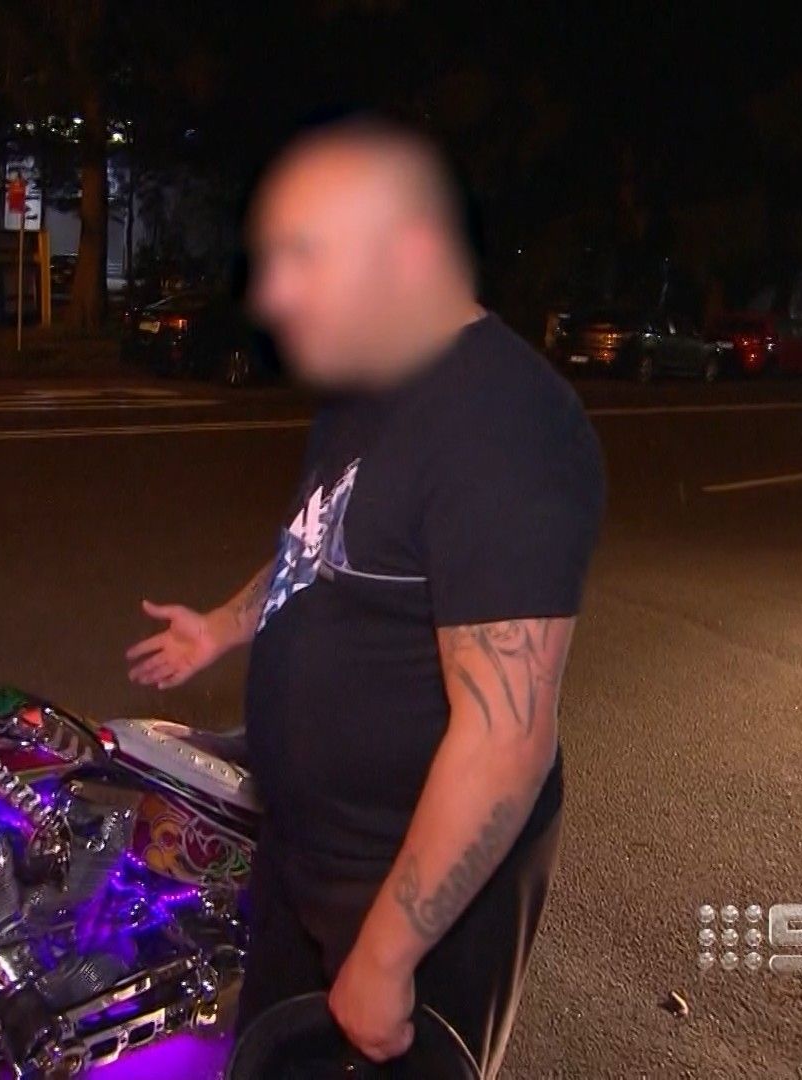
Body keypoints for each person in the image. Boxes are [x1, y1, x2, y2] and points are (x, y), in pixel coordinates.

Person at [126, 117, 604, 1077]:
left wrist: (388, 955)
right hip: (305, 858)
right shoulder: (366, 388)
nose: (272, 292)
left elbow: (507, 741)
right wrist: (222, 628)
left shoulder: (507, 425)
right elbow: (318, 548)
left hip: (408, 894)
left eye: (305, 256)